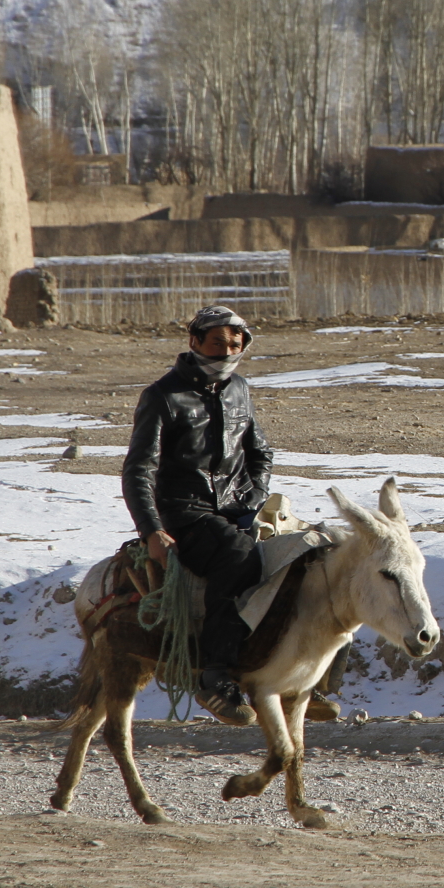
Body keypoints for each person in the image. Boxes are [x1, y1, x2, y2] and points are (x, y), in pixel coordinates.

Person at [121, 305, 273, 725]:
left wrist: (253, 498)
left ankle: (294, 676)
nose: (227, 350)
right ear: (194, 342)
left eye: (235, 343)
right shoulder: (162, 396)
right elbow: (139, 470)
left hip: (235, 507)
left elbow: (260, 452)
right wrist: (152, 531)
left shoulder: (239, 388)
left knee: (315, 553)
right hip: (183, 512)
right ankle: (214, 675)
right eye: (217, 342)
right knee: (238, 555)